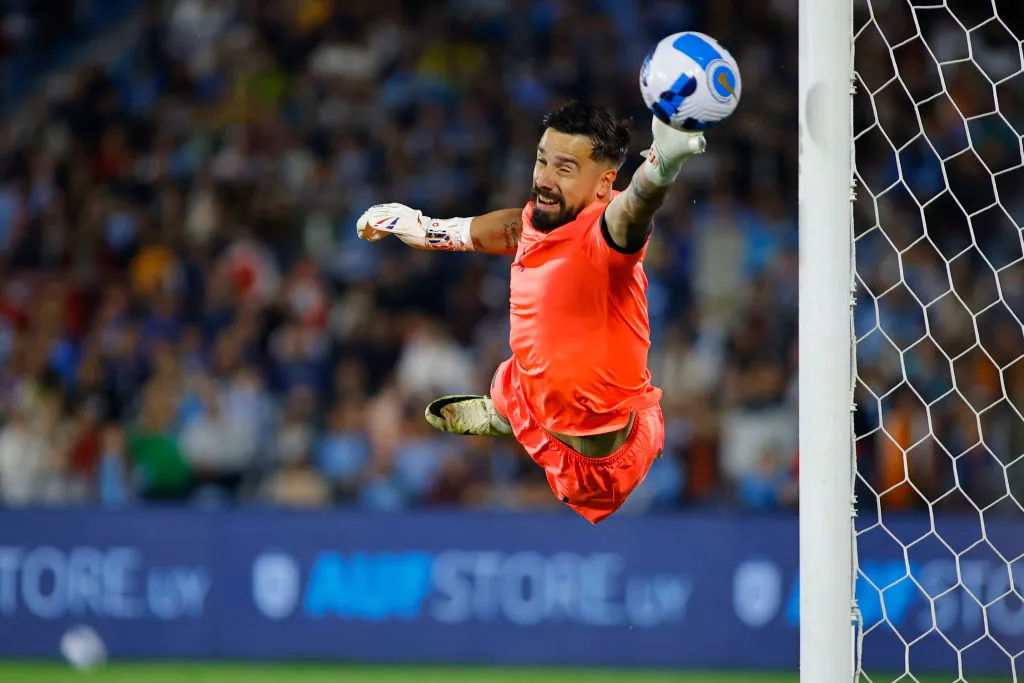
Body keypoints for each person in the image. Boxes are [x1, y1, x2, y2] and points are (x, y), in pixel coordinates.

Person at [355, 100, 705, 523]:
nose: (543, 178)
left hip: (601, 466)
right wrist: (430, 230)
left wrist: (661, 166)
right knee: (509, 374)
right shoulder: (551, 216)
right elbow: (520, 227)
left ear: (603, 184)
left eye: (565, 168)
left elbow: (635, 208)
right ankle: (508, 411)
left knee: (520, 381)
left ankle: (514, 419)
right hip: (545, 396)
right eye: (542, 160)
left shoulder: (607, 235)